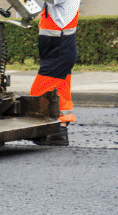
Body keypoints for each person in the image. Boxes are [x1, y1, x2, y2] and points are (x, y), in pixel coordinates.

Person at [30, 0, 80, 146]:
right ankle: (58, 132)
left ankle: (50, 131)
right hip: (59, 49)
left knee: (40, 91)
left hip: (59, 49)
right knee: (59, 92)